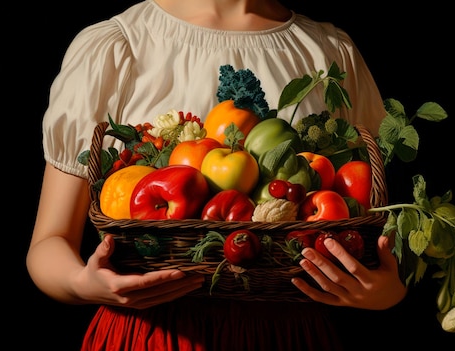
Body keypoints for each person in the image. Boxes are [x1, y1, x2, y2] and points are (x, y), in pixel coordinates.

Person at [26, 0, 408, 350]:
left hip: (287, 333)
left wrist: (388, 292)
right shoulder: (118, 45)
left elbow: (375, 222)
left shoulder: (328, 51)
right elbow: (48, 243)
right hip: (152, 333)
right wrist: (84, 285)